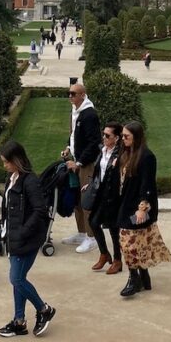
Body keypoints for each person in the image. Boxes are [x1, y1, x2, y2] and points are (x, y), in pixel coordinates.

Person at [0, 140, 56, 338]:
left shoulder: (30, 181)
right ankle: (19, 322)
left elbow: (40, 210)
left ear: (17, 160)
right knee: (17, 279)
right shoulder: (11, 178)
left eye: (6, 162)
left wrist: (22, 232)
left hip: (26, 239)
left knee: (17, 278)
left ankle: (44, 309)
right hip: (13, 238)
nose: (4, 165)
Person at [117, 121, 170, 297]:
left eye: (126, 136)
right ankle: (143, 277)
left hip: (138, 208)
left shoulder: (147, 157)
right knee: (138, 242)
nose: (122, 139)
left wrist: (142, 208)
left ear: (136, 137)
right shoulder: (126, 153)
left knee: (128, 243)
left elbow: (148, 186)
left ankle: (134, 279)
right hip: (126, 205)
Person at [61, 82, 100, 254]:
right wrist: (68, 148)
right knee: (77, 200)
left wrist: (79, 163)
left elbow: (94, 143)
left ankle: (91, 238)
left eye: (73, 94)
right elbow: (73, 136)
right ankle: (82, 232)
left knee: (86, 201)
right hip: (76, 161)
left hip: (86, 164)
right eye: (69, 93)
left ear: (82, 95)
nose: (70, 96)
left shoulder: (89, 114)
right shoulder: (75, 111)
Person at [86, 121, 123, 274]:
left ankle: (117, 260)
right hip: (100, 193)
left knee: (113, 228)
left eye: (107, 135)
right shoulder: (103, 150)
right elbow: (98, 171)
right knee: (93, 222)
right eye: (104, 134)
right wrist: (89, 184)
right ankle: (104, 253)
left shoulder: (120, 154)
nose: (104, 137)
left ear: (117, 138)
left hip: (113, 196)